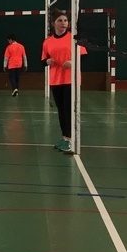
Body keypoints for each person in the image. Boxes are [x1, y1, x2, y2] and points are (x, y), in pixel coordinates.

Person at [41, 11, 86, 154]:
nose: (63, 23)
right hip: (56, 80)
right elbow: (43, 60)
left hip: (70, 80)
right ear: (54, 23)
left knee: (69, 110)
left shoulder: (74, 38)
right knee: (61, 111)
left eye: (66, 20)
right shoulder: (47, 41)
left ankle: (72, 140)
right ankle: (65, 138)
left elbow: (83, 56)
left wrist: (73, 62)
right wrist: (47, 61)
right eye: (60, 20)